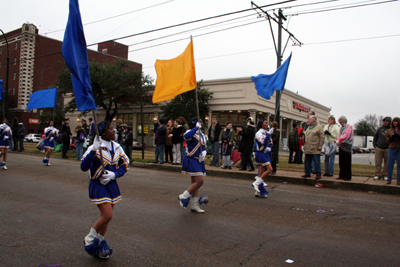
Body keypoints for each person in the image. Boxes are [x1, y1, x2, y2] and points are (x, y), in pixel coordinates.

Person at [81, 120, 129, 259]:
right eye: (110, 129)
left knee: (106, 219)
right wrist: (94, 150)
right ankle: (89, 238)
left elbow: (125, 164)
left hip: (111, 185)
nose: (114, 130)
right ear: (102, 132)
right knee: (107, 215)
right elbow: (83, 167)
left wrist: (115, 174)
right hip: (98, 185)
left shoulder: (117, 146)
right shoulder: (95, 147)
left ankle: (99, 244)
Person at [178, 118, 208, 213]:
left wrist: (204, 152)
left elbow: (204, 147)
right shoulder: (191, 132)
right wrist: (196, 128)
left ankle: (194, 205)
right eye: (200, 121)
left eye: (202, 121)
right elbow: (186, 137)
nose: (201, 123)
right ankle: (183, 196)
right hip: (191, 160)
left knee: (195, 184)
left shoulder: (202, 135)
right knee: (200, 181)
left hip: (199, 160)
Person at [252, 120, 273, 198]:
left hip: (266, 153)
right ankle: (256, 183)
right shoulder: (258, 133)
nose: (267, 124)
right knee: (270, 169)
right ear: (261, 124)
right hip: (260, 153)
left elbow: (270, 142)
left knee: (261, 173)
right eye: (266, 123)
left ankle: (259, 191)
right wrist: (268, 134)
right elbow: (263, 143)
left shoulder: (266, 133)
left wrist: (269, 148)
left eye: (268, 122)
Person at [302, 115, 324, 180]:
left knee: (316, 161)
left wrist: (320, 145)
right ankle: (307, 172)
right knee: (307, 161)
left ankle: (318, 174)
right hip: (308, 147)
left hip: (315, 147)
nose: (309, 120)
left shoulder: (319, 127)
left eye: (310, 119)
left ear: (314, 120)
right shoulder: (309, 127)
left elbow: (322, 137)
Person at [336, 116, 353, 181]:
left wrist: (340, 140)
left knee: (347, 162)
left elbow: (346, 135)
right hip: (341, 145)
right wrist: (338, 141)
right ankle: (341, 175)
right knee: (341, 162)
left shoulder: (349, 127)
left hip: (347, 146)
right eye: (340, 122)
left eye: (341, 122)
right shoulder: (341, 128)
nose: (340, 123)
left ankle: (347, 176)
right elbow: (340, 135)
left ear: (344, 121)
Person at [385, 117, 400, 185]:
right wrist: (391, 138)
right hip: (392, 147)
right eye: (394, 122)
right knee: (390, 163)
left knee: (399, 164)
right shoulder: (390, 130)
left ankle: (398, 180)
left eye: (396, 122)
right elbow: (387, 138)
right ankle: (389, 179)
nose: (395, 123)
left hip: (399, 147)